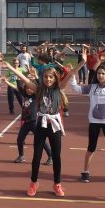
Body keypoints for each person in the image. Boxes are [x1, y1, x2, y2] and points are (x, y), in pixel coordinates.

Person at [6, 62, 70, 196]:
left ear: (55, 78)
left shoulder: (59, 89)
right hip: (41, 124)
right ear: (43, 78)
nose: (48, 79)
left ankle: (57, 184)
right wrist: (11, 68)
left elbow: (71, 74)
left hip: (54, 125)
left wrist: (82, 62)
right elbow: (24, 79)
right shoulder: (38, 89)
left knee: (56, 156)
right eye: (46, 77)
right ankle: (33, 183)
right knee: (36, 157)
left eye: (51, 77)